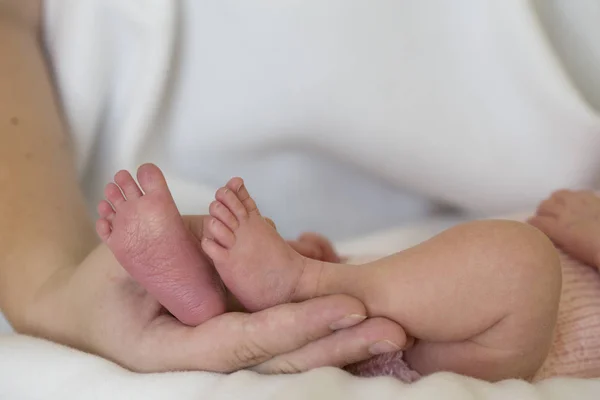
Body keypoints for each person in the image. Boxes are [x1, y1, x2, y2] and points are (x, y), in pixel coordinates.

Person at [0, 1, 406, 375]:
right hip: (390, 212)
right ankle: (288, 271)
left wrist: (51, 287)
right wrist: (50, 292)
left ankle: (238, 280)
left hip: (96, 130)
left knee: (290, 267)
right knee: (420, 285)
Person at [97, 163, 561, 382]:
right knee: (500, 264)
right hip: (414, 309)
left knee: (523, 263)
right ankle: (207, 300)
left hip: (487, 341)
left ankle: (302, 281)